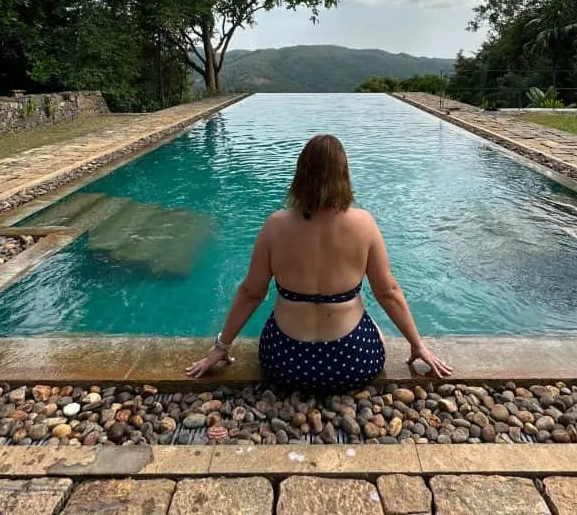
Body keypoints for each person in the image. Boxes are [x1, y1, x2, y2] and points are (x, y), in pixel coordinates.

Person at [187, 133, 452, 392]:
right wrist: (418, 345)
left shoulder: (275, 226)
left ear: (300, 175)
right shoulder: (364, 224)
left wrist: (221, 347)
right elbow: (388, 292)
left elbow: (251, 293)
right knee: (374, 329)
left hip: (285, 363)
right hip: (352, 363)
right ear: (344, 175)